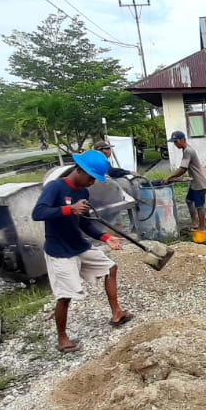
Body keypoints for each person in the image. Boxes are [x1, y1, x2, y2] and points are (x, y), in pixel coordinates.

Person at [31, 150, 133, 353]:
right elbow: (38, 213)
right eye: (91, 178)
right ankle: (62, 338)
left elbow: (84, 223)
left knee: (110, 268)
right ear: (80, 170)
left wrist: (105, 238)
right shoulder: (55, 188)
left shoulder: (83, 193)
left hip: (79, 245)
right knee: (65, 295)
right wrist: (68, 209)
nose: (92, 183)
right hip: (59, 251)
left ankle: (116, 313)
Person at [165, 131, 206, 232]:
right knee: (189, 201)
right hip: (194, 182)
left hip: (199, 184)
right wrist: (176, 177)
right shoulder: (185, 150)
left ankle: (202, 228)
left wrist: (169, 177)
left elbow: (182, 169)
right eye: (174, 142)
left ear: (182, 140)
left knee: (199, 206)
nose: (175, 144)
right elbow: (186, 168)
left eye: (176, 142)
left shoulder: (188, 151)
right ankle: (194, 222)